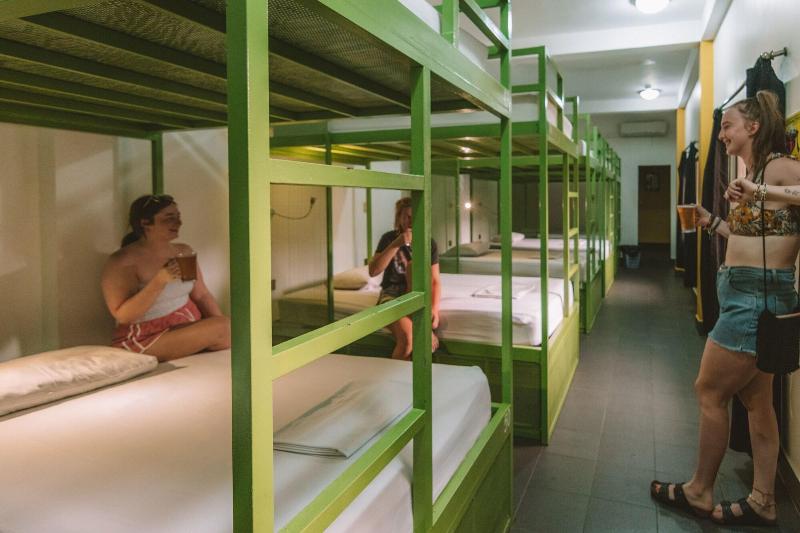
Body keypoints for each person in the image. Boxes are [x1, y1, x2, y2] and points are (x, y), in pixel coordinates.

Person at [651, 91, 800, 527]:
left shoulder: (776, 167)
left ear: (753, 127)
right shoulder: (751, 173)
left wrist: (759, 189)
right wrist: (711, 221)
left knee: (709, 391)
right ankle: (763, 499)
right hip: (749, 294)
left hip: (754, 299)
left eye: (727, 126)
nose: (721, 135)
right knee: (757, 402)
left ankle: (699, 490)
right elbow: (752, 236)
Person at [102, 194, 231, 361]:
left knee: (227, 326)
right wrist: (159, 281)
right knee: (223, 327)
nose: (178, 223)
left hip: (183, 325)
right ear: (145, 223)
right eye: (169, 218)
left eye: (178, 217)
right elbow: (123, 316)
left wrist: (221, 326)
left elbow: (201, 295)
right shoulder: (123, 261)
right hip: (145, 337)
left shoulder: (183, 251)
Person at [368, 197, 441, 360]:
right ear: (399, 217)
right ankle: (398, 378)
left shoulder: (429, 242)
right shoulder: (389, 238)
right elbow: (373, 271)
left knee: (414, 267)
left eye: (415, 217)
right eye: (406, 217)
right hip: (392, 295)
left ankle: (424, 329)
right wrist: (396, 244)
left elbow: (435, 281)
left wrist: (435, 310)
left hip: (417, 294)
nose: (410, 221)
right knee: (409, 339)